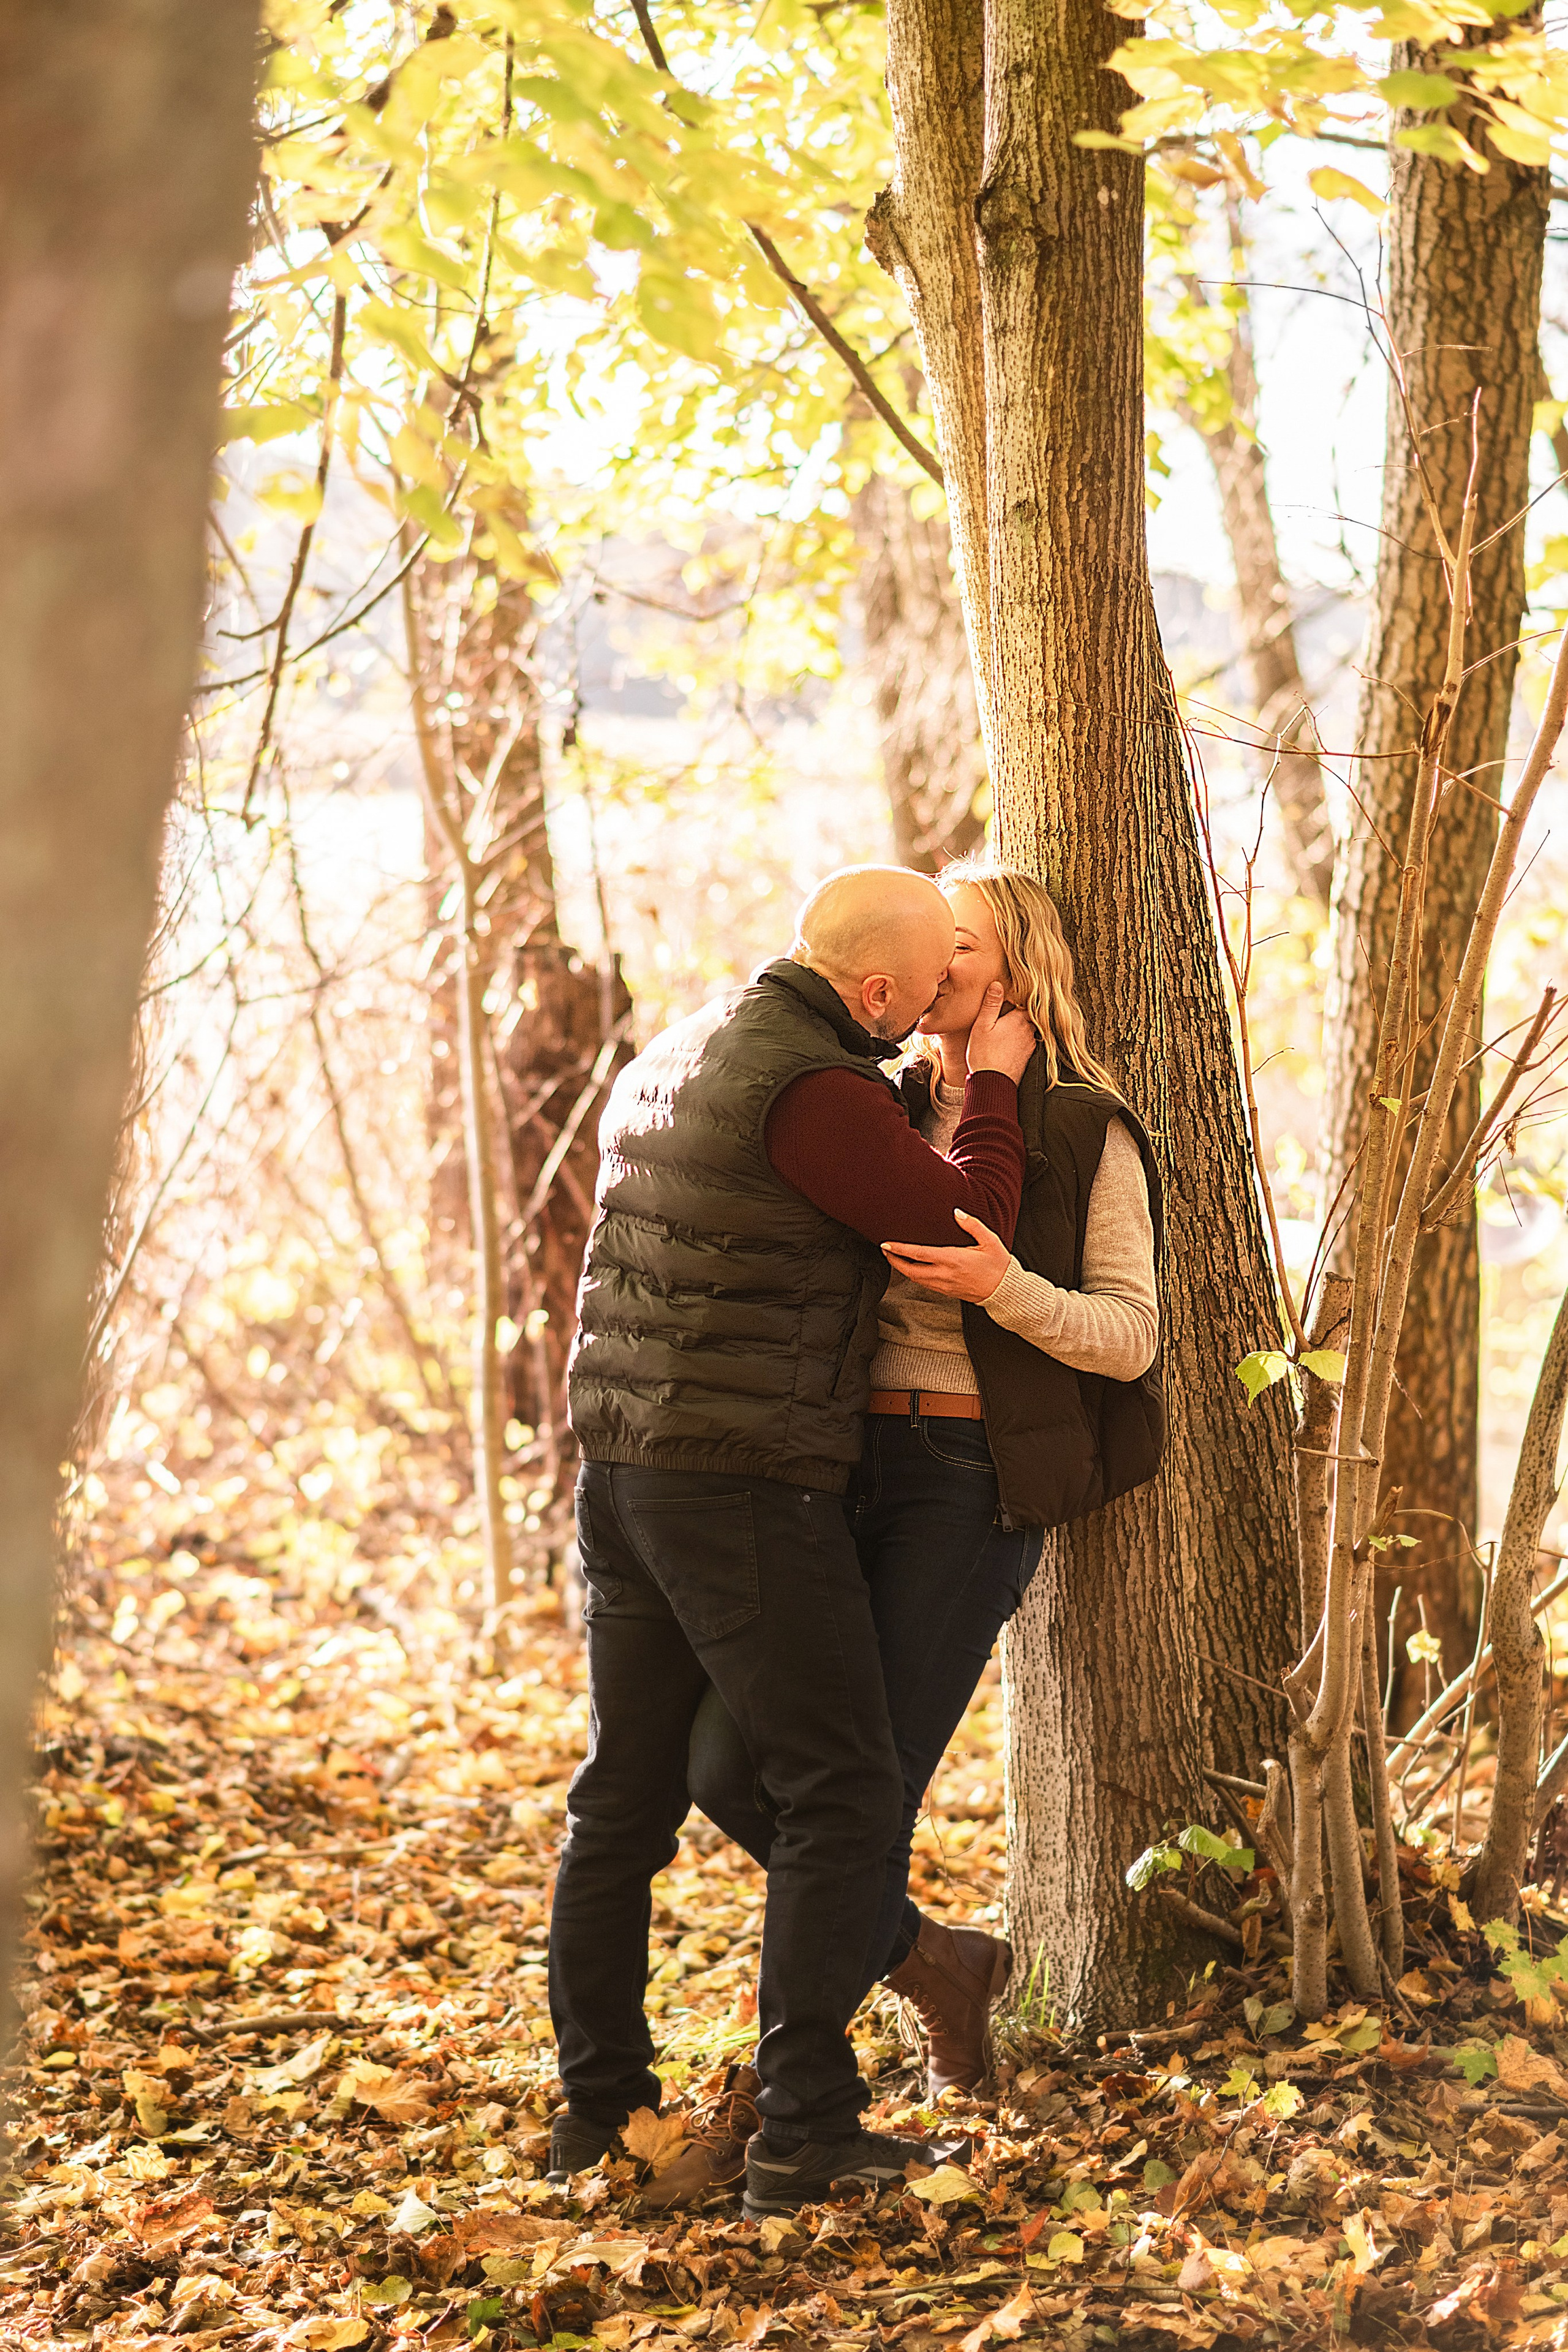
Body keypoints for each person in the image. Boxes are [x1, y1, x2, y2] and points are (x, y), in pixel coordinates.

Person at [549, 864, 1038, 2218]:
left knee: (622, 1801)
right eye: (933, 971)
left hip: (622, 1465)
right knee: (838, 1792)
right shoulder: (810, 1090)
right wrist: (989, 1086)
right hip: (740, 1485)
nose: (947, 990)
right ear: (874, 993)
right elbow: (965, 1230)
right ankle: (807, 2131)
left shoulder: (681, 1047)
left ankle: (595, 2115)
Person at [683, 859, 1163, 2157]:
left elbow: (1127, 1337)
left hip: (965, 1489)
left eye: (961, 946)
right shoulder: (876, 1102)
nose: (933, 965)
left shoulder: (1081, 1126)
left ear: (1010, 976)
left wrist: (1002, 1287)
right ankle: (936, 1963)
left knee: (864, 1795)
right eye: (929, 944)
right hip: (832, 1475)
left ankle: (781, 2107)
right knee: (726, 1761)